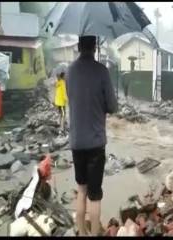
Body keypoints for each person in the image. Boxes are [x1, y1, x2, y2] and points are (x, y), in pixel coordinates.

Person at [66, 36, 118, 236]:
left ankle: (81, 232)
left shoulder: (70, 71)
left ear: (79, 47)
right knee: (95, 196)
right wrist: (102, 105)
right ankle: (95, 233)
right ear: (94, 47)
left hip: (77, 141)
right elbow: (112, 107)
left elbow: (74, 99)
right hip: (96, 143)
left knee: (81, 190)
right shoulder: (102, 71)